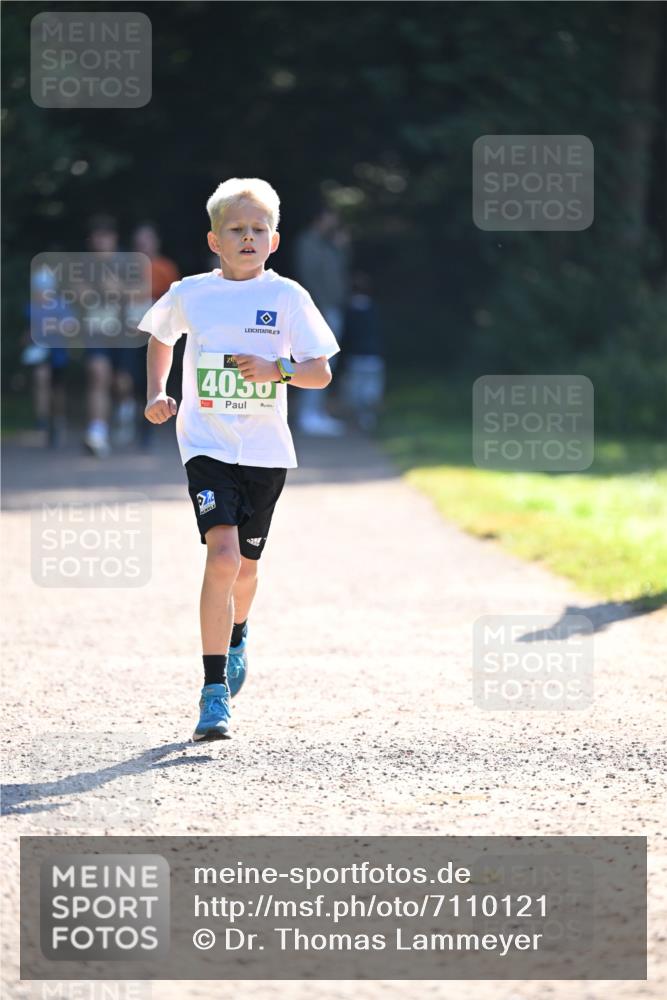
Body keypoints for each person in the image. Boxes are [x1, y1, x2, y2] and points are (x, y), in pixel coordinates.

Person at [139, 177, 340, 741]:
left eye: (258, 229)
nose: (248, 237)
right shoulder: (190, 293)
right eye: (237, 229)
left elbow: (320, 372)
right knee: (222, 555)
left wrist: (275, 369)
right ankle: (212, 692)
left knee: (246, 568)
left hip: (265, 450)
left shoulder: (288, 297)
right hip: (205, 442)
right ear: (215, 240)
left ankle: (238, 633)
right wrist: (157, 392)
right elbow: (161, 337)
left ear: (273, 241)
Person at [81, 214, 137, 457]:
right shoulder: (82, 265)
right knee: (98, 375)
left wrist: (118, 290)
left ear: (113, 238)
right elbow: (78, 296)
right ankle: (97, 432)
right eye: (97, 237)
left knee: (122, 383)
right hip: (96, 330)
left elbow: (138, 293)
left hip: (124, 332)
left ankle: (126, 407)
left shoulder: (129, 263)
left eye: (105, 236)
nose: (101, 242)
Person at [293, 205, 348, 436]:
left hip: (330, 307)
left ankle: (315, 412)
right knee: (316, 361)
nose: (334, 221)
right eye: (330, 216)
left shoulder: (328, 243)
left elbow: (339, 271)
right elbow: (310, 276)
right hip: (319, 309)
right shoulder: (308, 242)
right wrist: (319, 308)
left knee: (327, 363)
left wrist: (341, 249)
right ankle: (308, 415)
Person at [128, 223, 181, 448]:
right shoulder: (127, 267)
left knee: (149, 380)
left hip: (155, 334)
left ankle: (146, 428)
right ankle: (126, 420)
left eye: (147, 240)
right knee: (127, 381)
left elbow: (173, 303)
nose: (143, 245)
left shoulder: (166, 267)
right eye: (139, 241)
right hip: (128, 334)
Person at [339, 272, 385, 431]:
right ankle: (367, 418)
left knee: (356, 389)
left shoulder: (348, 312)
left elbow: (346, 336)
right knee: (371, 389)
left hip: (355, 356)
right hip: (374, 356)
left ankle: (359, 418)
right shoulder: (374, 309)